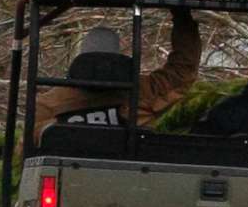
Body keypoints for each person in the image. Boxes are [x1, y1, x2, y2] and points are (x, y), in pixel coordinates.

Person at [32, 8, 203, 129]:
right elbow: (182, 71)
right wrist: (182, 17)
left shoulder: (48, 105)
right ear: (118, 55)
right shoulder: (143, 92)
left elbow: (25, 152)